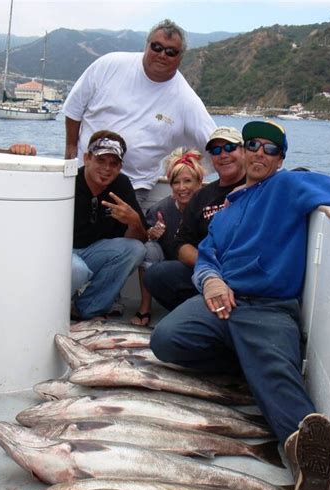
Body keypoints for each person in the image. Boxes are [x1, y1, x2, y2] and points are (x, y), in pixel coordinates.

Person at [150, 120, 330, 490]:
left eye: (270, 148)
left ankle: (303, 453)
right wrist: (212, 281)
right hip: (223, 301)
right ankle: (246, 362)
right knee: (166, 340)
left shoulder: (289, 187)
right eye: (252, 144)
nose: (259, 153)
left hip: (268, 306)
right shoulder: (226, 211)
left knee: (275, 371)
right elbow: (207, 254)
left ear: (280, 159)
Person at [62, 19, 216, 209]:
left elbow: (215, 142)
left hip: (134, 186)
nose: (162, 55)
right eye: (156, 47)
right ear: (146, 45)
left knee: (121, 238)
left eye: (171, 51)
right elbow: (74, 108)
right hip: (84, 175)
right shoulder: (109, 64)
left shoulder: (187, 100)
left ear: (181, 57)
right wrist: (70, 146)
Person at [143, 126, 246, 310]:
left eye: (230, 147)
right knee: (156, 275)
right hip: (207, 270)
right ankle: (197, 313)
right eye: (216, 150)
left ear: (244, 151)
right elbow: (181, 245)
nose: (223, 154)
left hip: (244, 273)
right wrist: (210, 268)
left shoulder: (260, 187)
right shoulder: (202, 197)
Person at [71, 129, 147, 321]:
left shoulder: (121, 185)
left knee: (135, 249)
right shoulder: (68, 180)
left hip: (93, 253)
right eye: (100, 160)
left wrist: (134, 221)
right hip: (62, 254)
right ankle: (54, 305)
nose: (107, 168)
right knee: (77, 270)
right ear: (87, 158)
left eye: (113, 163)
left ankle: (87, 309)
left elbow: (140, 238)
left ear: (120, 167)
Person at [131, 147, 205, 326]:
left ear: (199, 182)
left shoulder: (209, 207)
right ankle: (145, 309)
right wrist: (151, 234)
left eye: (188, 181)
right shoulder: (159, 210)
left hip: (200, 268)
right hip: (171, 269)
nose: (182, 188)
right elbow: (144, 237)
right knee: (148, 248)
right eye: (176, 182)